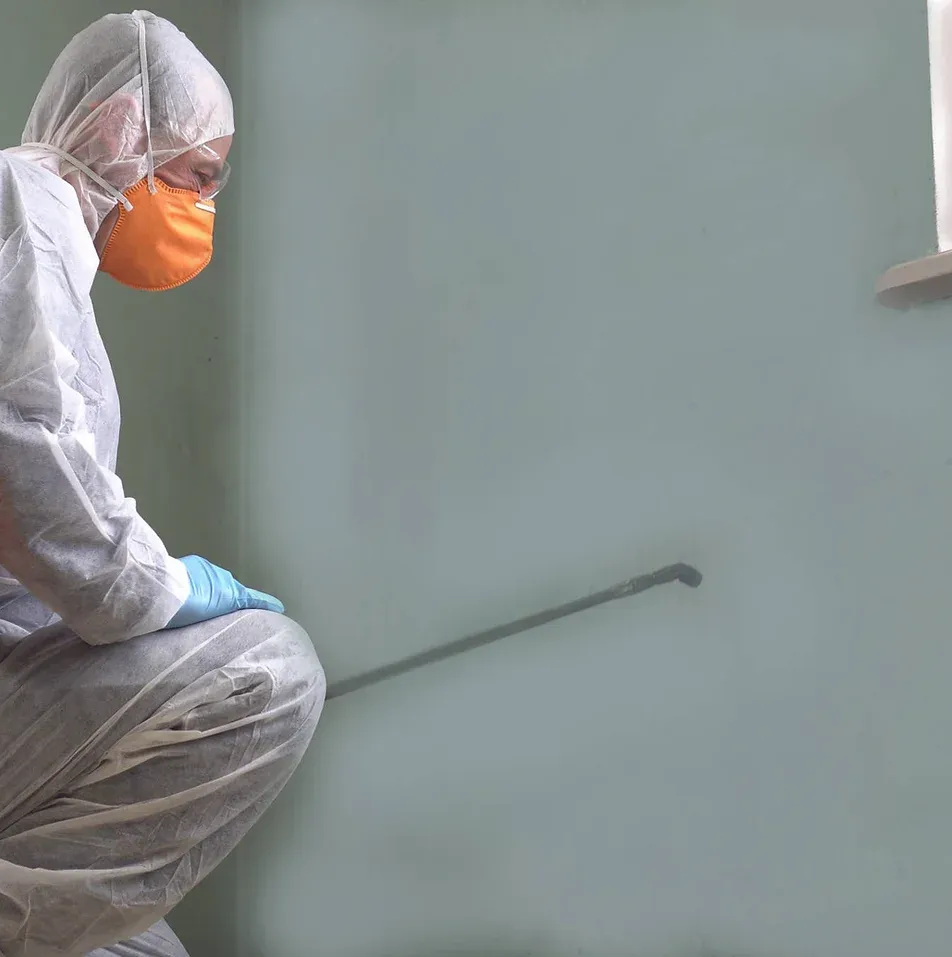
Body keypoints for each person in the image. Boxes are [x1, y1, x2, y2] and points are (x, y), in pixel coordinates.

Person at [0, 10, 325, 957]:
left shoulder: (45, 243)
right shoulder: (22, 204)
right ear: (118, 129)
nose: (200, 211)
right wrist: (171, 591)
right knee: (270, 671)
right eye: (196, 178)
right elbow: (29, 458)